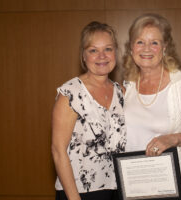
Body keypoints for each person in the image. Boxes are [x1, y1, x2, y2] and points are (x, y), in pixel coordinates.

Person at [123, 13, 181, 193]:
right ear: (131, 49)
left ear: (164, 48)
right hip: (130, 184)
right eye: (140, 42)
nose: (146, 48)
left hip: (167, 185)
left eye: (154, 42)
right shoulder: (127, 87)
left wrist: (172, 139)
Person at [51, 21, 126, 200]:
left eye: (108, 49)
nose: (102, 56)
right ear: (83, 56)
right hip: (79, 193)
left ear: (115, 52)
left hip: (119, 189)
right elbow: (58, 150)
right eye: (93, 50)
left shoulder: (122, 93)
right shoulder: (71, 93)